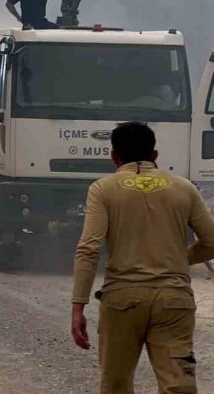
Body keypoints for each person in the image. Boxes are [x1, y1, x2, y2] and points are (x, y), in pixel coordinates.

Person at [71, 122, 214, 393]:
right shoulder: (184, 188)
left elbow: (88, 249)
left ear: (114, 157)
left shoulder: (102, 189)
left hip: (122, 301)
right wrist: (178, 259)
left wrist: (78, 307)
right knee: (178, 386)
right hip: (174, 300)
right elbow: (212, 242)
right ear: (155, 155)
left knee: (116, 384)